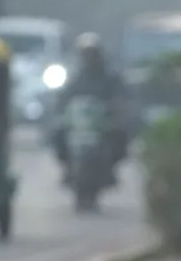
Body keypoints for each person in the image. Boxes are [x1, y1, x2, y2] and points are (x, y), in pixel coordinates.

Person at [51, 33, 129, 186]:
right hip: (77, 122)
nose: (89, 57)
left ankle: (110, 169)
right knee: (58, 133)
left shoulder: (110, 76)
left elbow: (121, 96)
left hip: (102, 122)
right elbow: (63, 96)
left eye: (92, 53)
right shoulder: (74, 75)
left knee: (120, 134)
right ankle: (68, 168)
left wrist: (116, 107)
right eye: (86, 53)